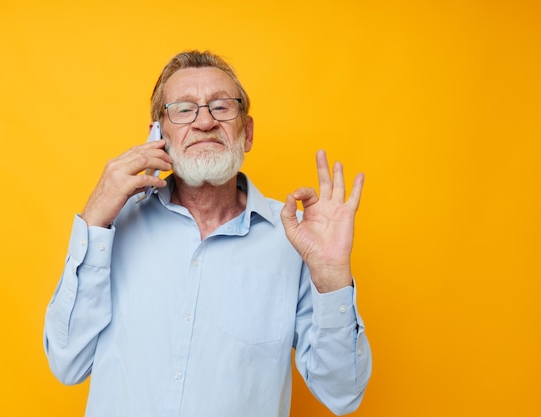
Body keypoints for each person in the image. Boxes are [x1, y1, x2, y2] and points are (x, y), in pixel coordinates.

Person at [44, 50, 372, 417]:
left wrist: (332, 278)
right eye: (184, 109)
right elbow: (66, 361)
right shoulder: (113, 226)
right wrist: (93, 222)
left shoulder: (295, 239)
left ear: (246, 133)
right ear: (158, 134)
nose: (204, 122)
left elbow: (342, 394)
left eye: (221, 107)